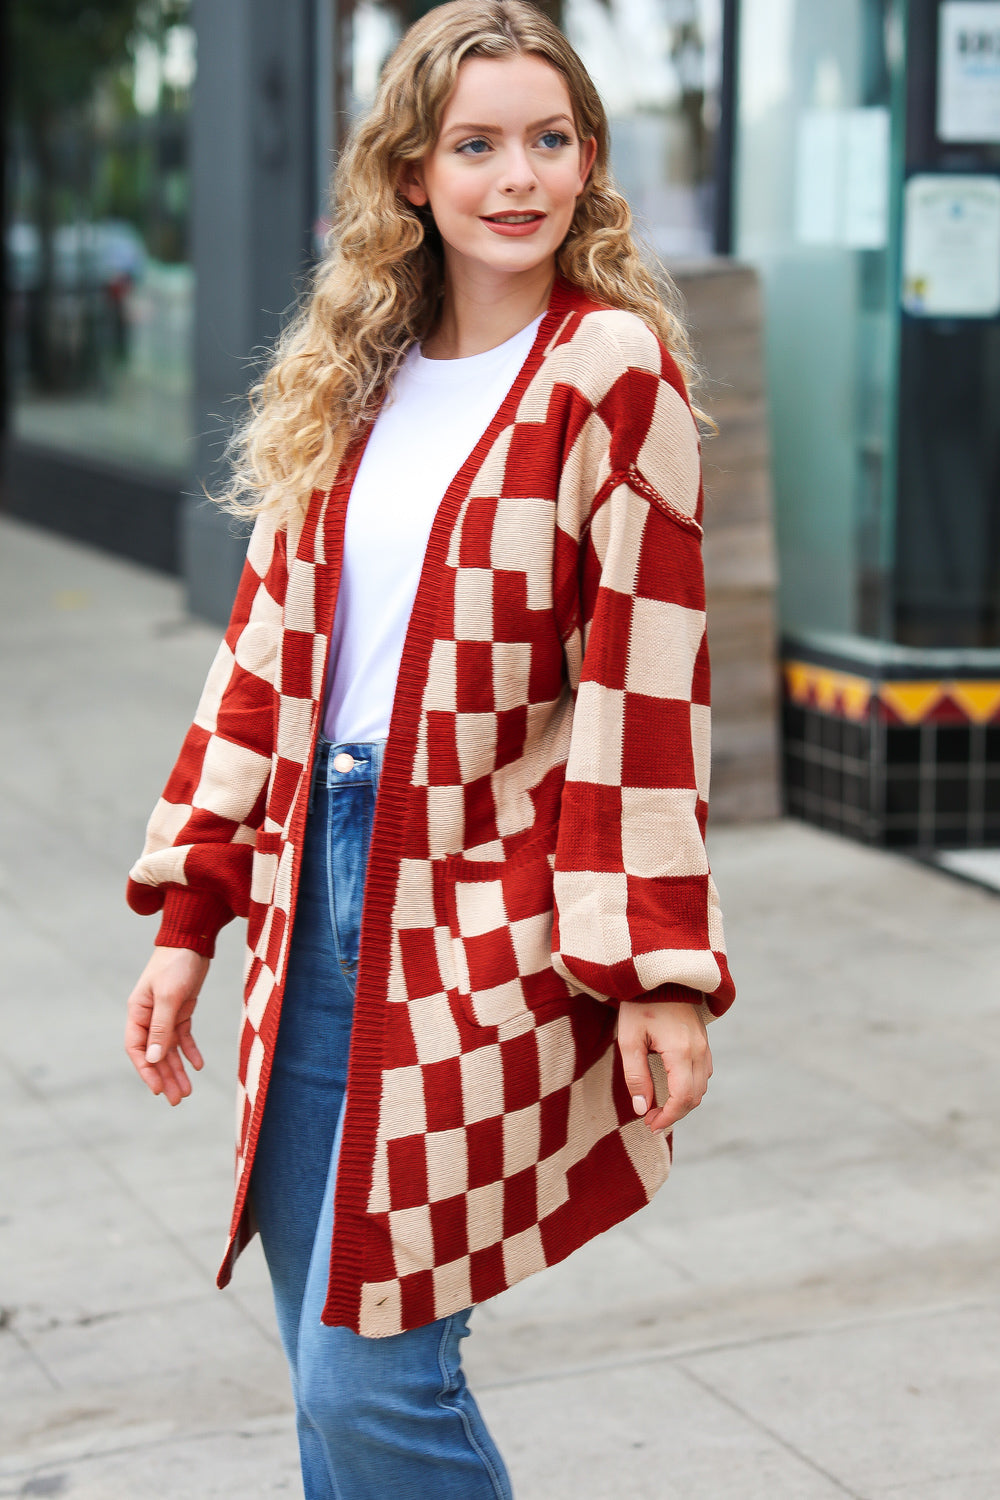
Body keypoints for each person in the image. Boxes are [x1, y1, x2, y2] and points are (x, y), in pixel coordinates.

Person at [124, 2, 735, 1495]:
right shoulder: (359, 377)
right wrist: (189, 912)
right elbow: (261, 666)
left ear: (591, 164)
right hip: (307, 888)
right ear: (412, 172)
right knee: (317, 1351)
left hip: (484, 902)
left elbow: (648, 691)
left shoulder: (610, 372)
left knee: (371, 1377)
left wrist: (658, 967)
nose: (516, 175)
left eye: (549, 140)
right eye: (476, 144)